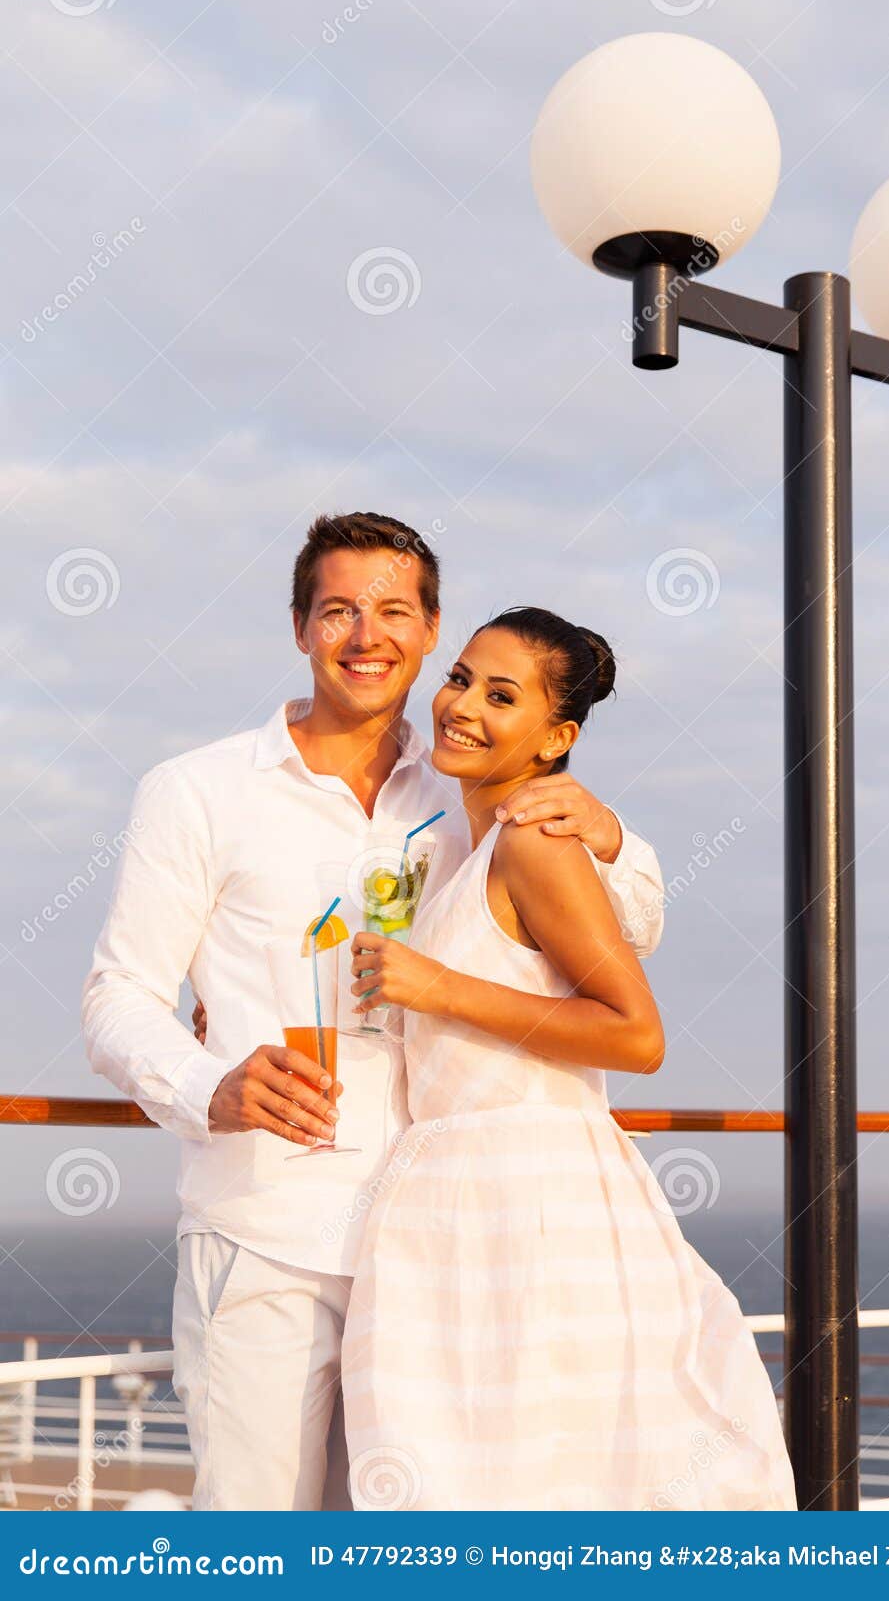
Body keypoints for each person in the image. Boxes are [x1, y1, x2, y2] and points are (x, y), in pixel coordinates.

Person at [81, 513, 665, 1513]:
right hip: (267, 1229)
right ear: (301, 625)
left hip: (432, 1247)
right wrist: (206, 1086)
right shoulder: (196, 791)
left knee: (404, 1544)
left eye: (393, 610)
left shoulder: (470, 776)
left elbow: (628, 925)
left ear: (432, 627)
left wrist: (608, 828)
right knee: (255, 1541)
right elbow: (119, 995)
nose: (366, 636)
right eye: (339, 610)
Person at [341, 608, 797, 1511]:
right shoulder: (456, 854)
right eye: (461, 677)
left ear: (557, 738)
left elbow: (636, 1034)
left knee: (550, 1478)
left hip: (536, 1201)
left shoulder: (532, 843)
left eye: (500, 695)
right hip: (453, 1207)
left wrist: (437, 988)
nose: (461, 705)